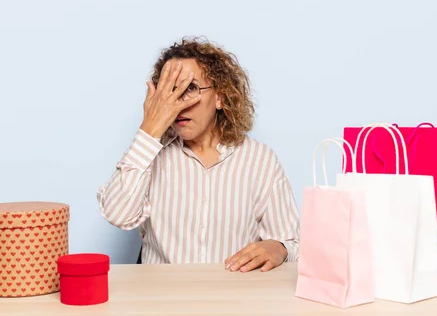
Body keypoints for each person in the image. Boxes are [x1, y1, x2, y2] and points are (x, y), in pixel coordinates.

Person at [96, 37, 299, 272]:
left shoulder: (260, 160)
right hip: (162, 301)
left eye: (190, 88)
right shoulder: (150, 155)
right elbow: (118, 214)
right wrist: (150, 128)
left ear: (220, 97)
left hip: (233, 300)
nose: (179, 104)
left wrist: (279, 248)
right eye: (171, 92)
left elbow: (292, 244)